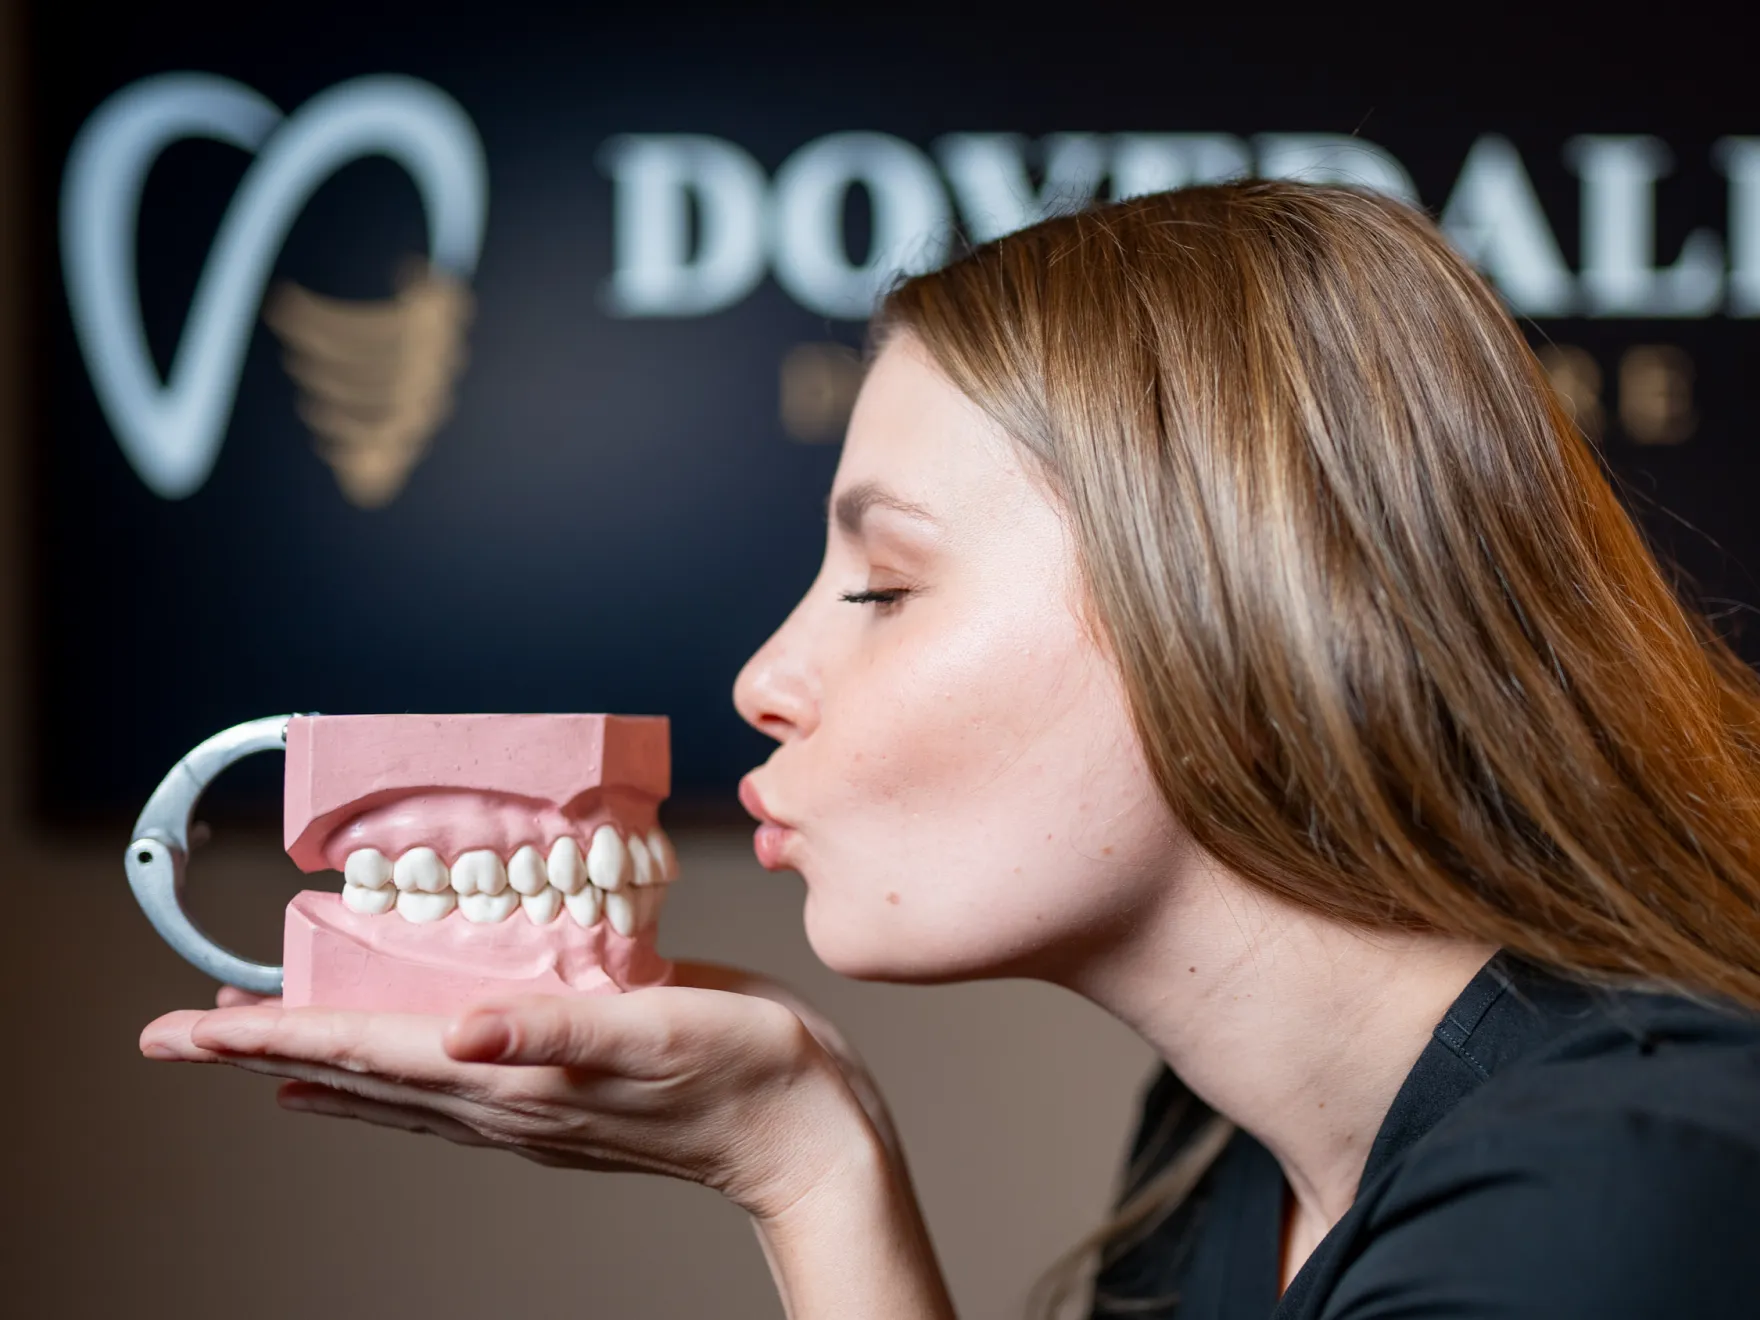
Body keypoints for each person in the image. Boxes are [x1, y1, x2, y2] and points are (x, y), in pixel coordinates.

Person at [142, 182, 1760, 1318]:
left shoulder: (1616, 1206)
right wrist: (807, 1160)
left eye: (883, 585)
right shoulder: (1213, 1162)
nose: (766, 675)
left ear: (1250, 616)